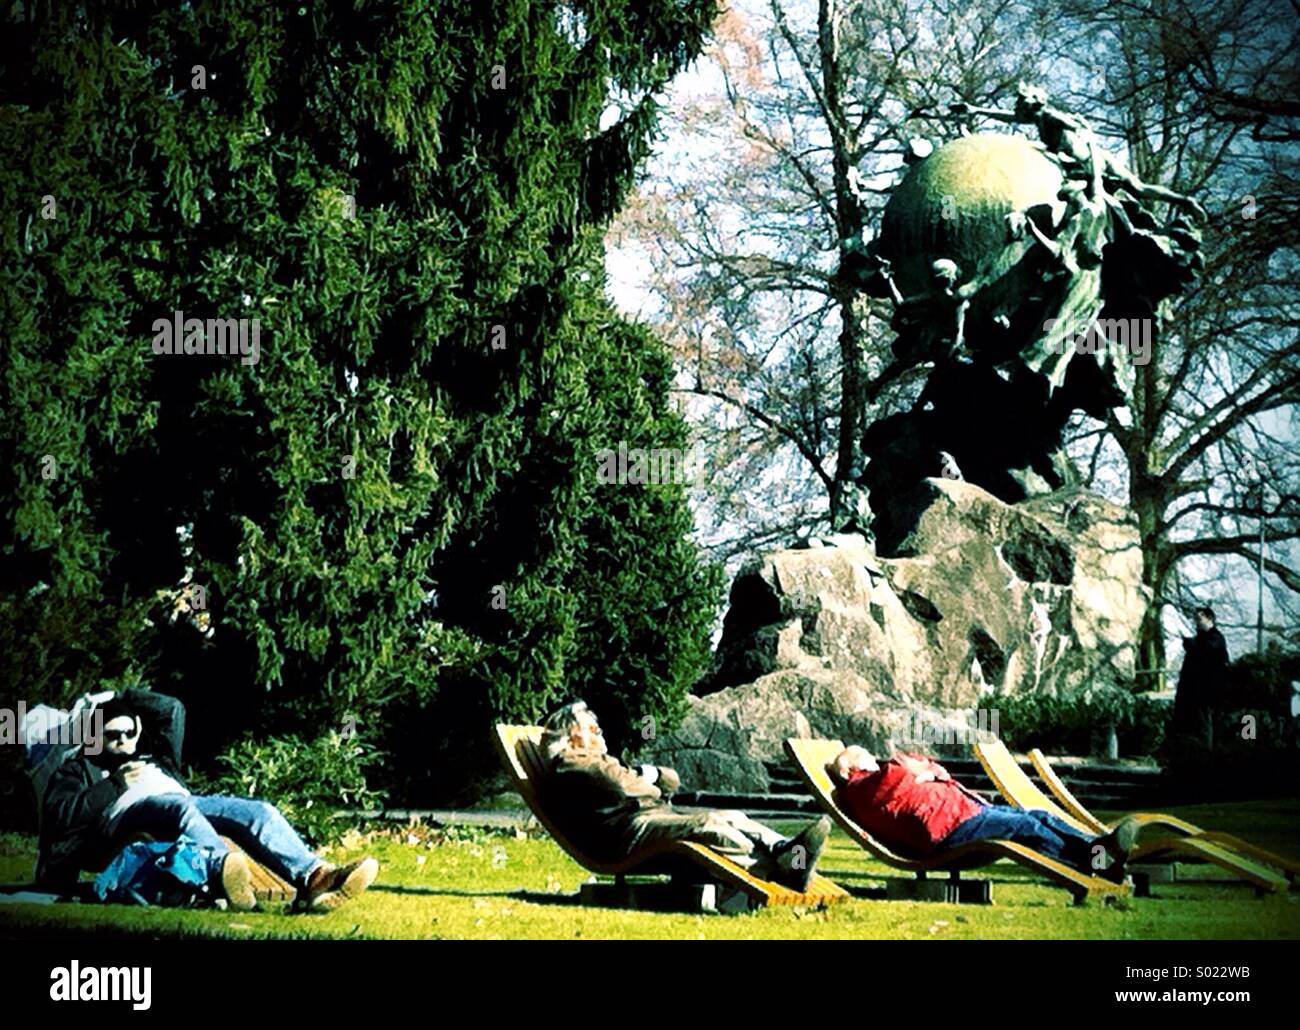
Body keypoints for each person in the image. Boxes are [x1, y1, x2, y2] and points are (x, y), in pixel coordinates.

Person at [39, 689, 378, 912]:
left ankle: (314, 877)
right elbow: (59, 814)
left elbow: (172, 710)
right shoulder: (81, 767)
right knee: (178, 807)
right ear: (96, 735)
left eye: (130, 732)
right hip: (124, 821)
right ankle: (220, 871)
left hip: (181, 804)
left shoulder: (158, 759)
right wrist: (115, 784)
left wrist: (122, 695)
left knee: (257, 811)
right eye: (113, 735)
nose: (123, 741)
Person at [539, 702, 831, 891]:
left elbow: (670, 780)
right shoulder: (573, 763)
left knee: (729, 816)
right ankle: (776, 871)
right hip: (623, 835)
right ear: (569, 735)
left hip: (647, 818)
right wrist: (646, 782)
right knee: (707, 826)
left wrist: (644, 776)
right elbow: (622, 786)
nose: (599, 730)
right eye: (590, 728)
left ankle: (783, 849)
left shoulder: (601, 761)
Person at [828, 744, 1139, 880]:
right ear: (856, 765)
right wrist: (922, 770)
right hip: (947, 829)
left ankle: (1101, 849)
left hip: (961, 814)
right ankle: (1095, 861)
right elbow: (909, 766)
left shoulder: (875, 780)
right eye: (867, 756)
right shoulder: (863, 787)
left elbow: (931, 767)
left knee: (1039, 817)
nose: (876, 759)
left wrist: (927, 771)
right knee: (1028, 828)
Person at [1173, 606, 1230, 751]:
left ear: (1209, 619)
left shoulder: (1216, 639)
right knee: (1195, 727)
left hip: (1206, 693)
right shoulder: (1203, 639)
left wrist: (1191, 645)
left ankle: (1206, 757)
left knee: (1205, 727)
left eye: (1199, 619)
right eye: (1195, 619)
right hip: (1195, 693)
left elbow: (1206, 657)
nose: (1196, 623)